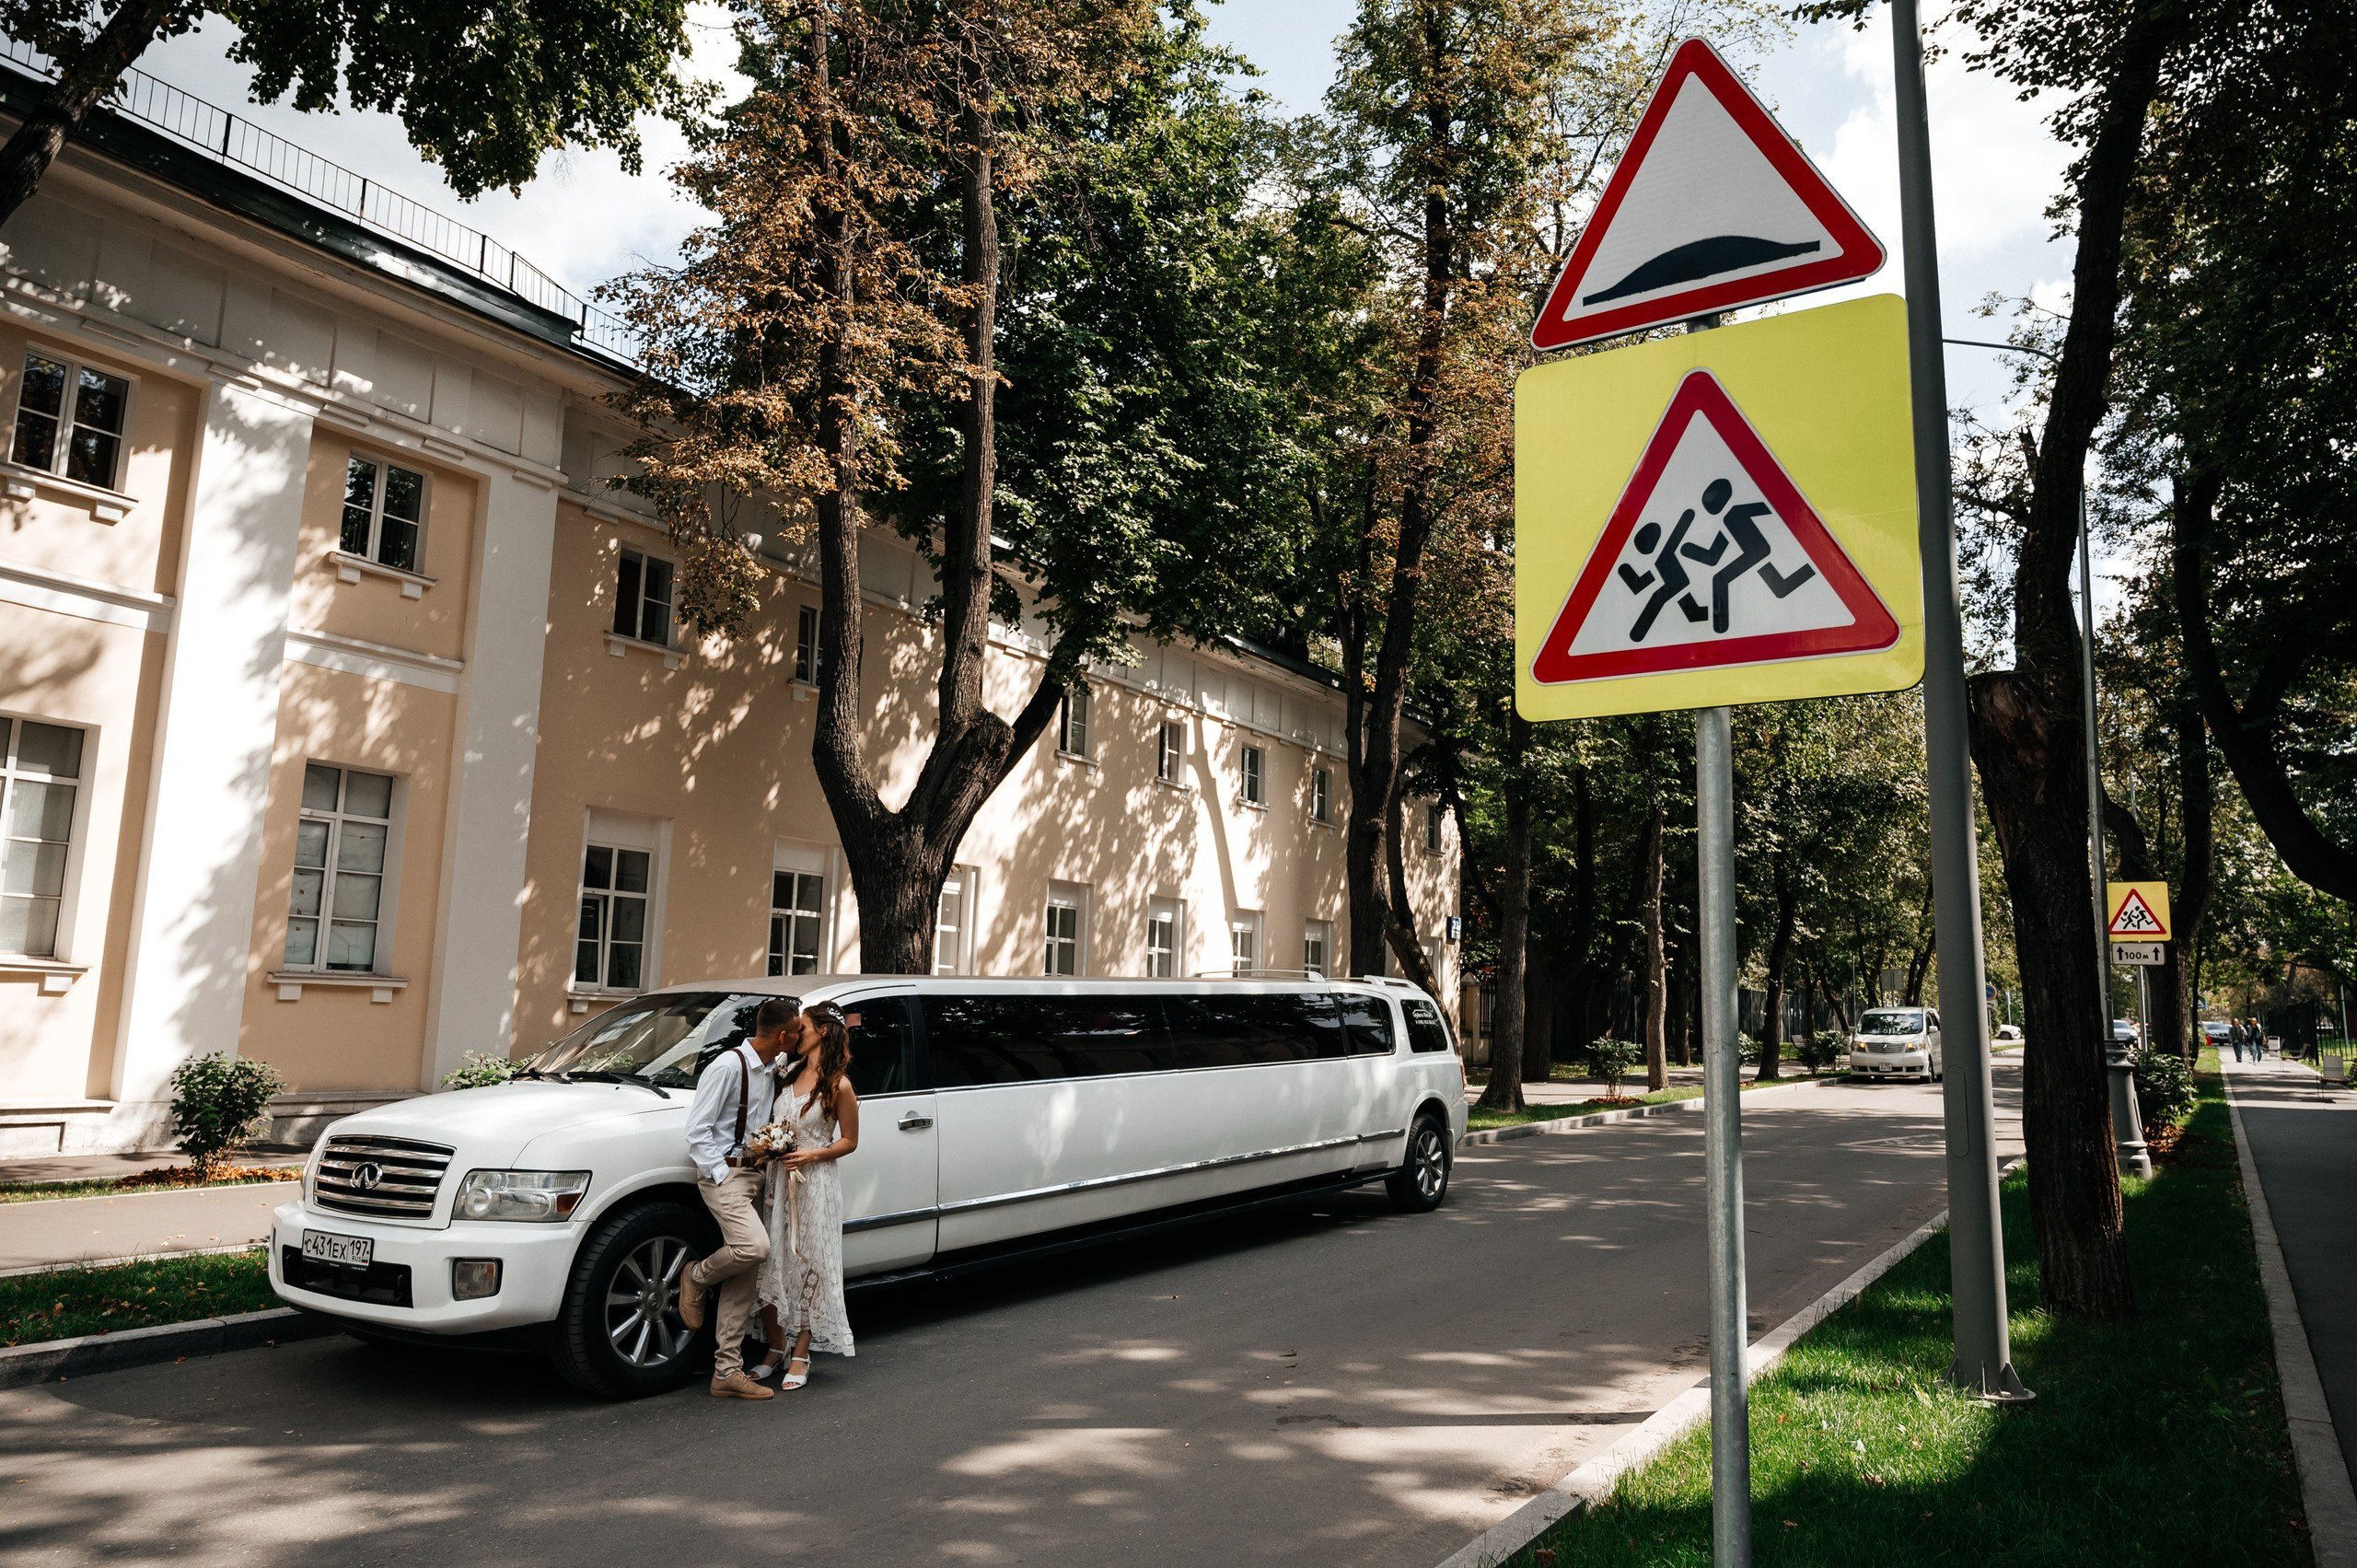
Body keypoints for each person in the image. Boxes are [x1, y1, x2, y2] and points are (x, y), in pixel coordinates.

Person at [678, 995, 797, 1400]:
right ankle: (696, 1276)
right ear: (783, 1035)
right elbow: (698, 1131)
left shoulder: (773, 1068)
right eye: (796, 1032)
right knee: (754, 1247)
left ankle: (726, 1372)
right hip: (725, 1175)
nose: (797, 1038)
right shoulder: (729, 1066)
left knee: (744, 1272)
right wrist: (721, 1173)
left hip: (758, 1175)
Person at [752, 1002, 862, 1390]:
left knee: (811, 1264)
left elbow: (850, 1141)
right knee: (772, 1258)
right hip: (779, 1182)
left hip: (815, 1183)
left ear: (824, 1033)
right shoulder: (787, 1072)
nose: (798, 1035)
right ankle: (776, 1345)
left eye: (805, 1028)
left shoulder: (838, 1085)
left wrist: (813, 1153)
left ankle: (801, 1350)